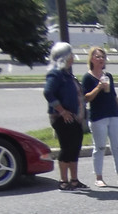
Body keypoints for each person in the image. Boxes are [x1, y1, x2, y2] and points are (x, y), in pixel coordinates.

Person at [83, 47, 118, 188]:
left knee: (117, 147)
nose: (101, 59)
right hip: (98, 116)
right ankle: (98, 177)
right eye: (98, 56)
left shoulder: (108, 76)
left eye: (103, 57)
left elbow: (113, 96)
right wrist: (99, 87)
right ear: (91, 59)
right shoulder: (87, 77)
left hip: (113, 115)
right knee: (99, 147)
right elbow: (86, 98)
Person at [43, 41, 87, 190]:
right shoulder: (55, 73)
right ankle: (63, 180)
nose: (73, 57)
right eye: (71, 54)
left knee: (75, 147)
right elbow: (48, 92)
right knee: (67, 148)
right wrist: (61, 110)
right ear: (64, 56)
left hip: (74, 117)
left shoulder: (67, 73)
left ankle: (74, 180)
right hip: (62, 117)